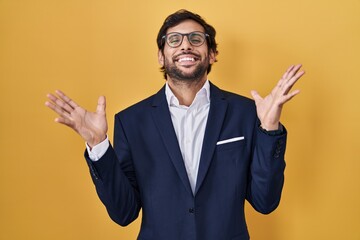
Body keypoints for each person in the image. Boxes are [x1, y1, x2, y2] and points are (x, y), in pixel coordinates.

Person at [45, 9, 304, 240]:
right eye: (174, 40)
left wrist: (269, 128)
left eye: (196, 39)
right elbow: (124, 213)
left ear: (212, 54)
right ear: (161, 56)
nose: (185, 46)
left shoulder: (246, 113)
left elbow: (265, 202)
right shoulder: (131, 121)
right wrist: (98, 145)